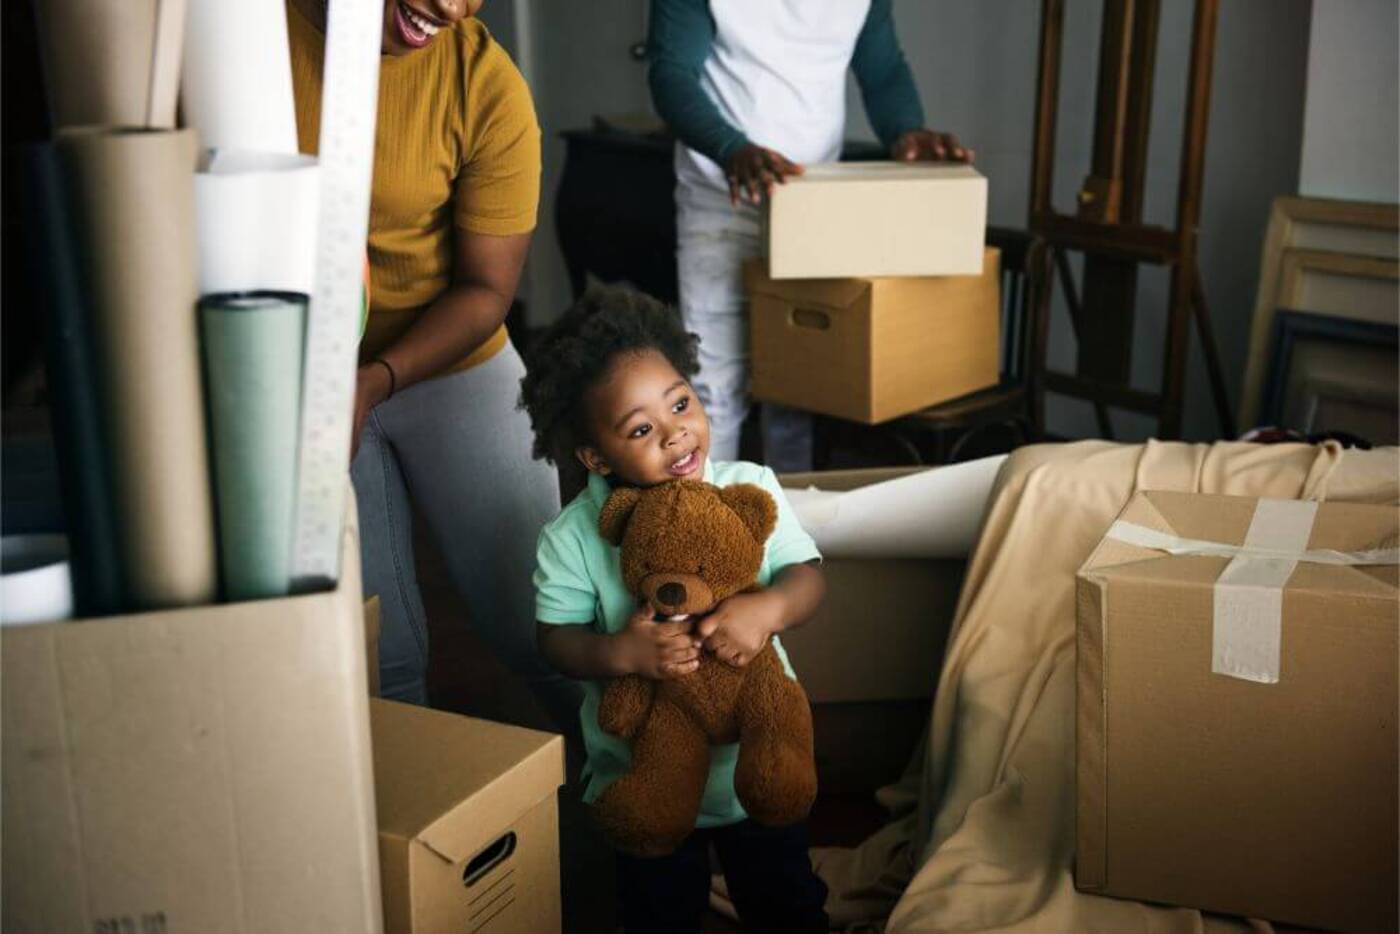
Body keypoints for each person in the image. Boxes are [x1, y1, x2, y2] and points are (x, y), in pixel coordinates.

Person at [286, 0, 580, 728]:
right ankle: (411, 834)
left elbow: (486, 291)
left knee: (543, 627)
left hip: (450, 359)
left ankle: (639, 812)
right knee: (374, 662)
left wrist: (373, 381)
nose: (453, 7)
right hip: (296, 375)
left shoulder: (485, 84)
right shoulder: (247, 39)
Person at [519, 286, 829, 933]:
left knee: (787, 903)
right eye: (641, 430)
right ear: (597, 457)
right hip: (642, 778)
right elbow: (555, 638)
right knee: (657, 915)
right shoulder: (572, 536)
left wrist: (767, 610)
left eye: (680, 403)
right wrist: (618, 653)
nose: (676, 433)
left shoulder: (748, 488)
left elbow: (809, 579)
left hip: (755, 766)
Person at [648, 0, 975, 472]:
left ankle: (788, 534)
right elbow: (671, 73)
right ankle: (711, 531)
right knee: (713, 387)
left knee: (797, 386)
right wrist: (731, 148)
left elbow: (882, 70)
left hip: (811, 205)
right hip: (721, 199)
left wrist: (906, 130)